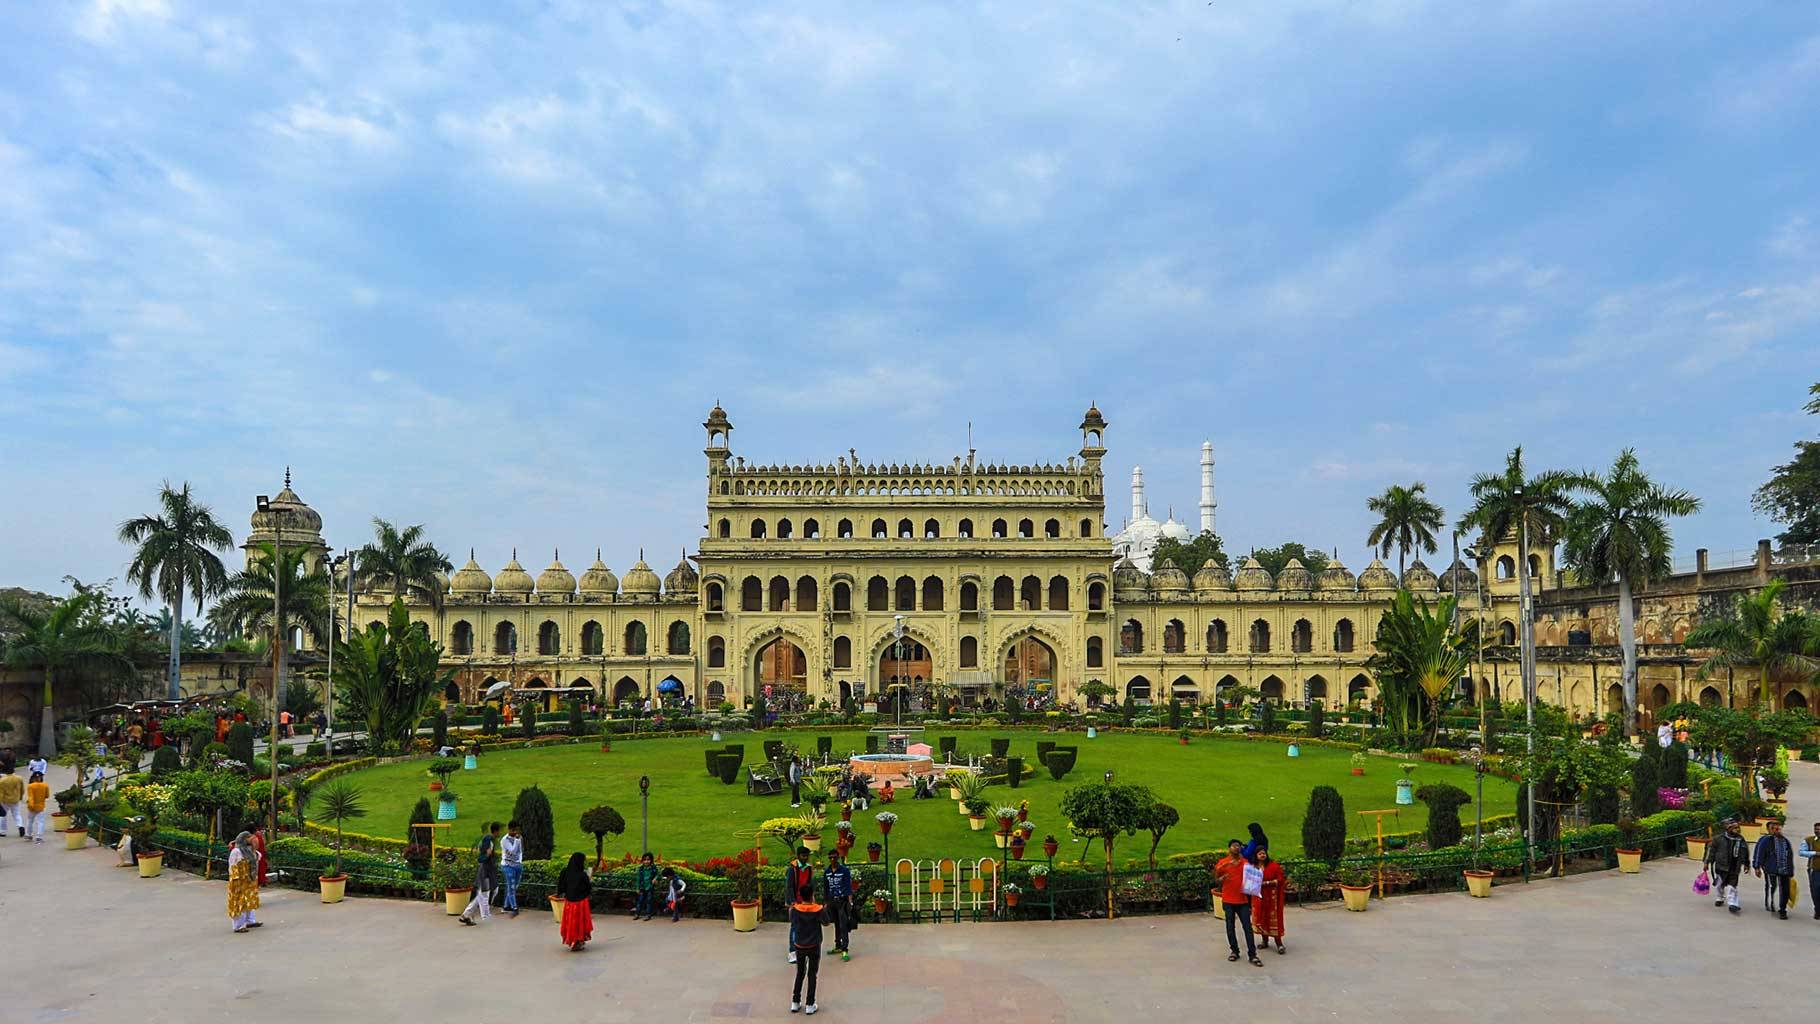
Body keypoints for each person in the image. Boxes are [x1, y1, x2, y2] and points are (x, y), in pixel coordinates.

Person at [1214, 838, 1261, 965]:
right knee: (1230, 927)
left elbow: (1253, 880)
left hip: (1243, 901)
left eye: (1238, 846)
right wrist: (1221, 879)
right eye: (1234, 845)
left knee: (1248, 928)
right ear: (1229, 848)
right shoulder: (1223, 863)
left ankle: (1252, 954)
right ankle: (1234, 951)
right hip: (1228, 900)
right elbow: (1216, 879)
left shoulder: (1246, 863)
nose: (1236, 847)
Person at [789, 884, 824, 1015]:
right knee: (812, 974)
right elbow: (826, 922)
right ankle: (810, 1004)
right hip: (814, 945)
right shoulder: (818, 909)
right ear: (812, 895)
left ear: (801, 896)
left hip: (799, 945)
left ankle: (795, 1002)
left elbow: (792, 921)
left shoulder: (795, 909)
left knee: (800, 973)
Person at [459, 822, 503, 925]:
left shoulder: (491, 840)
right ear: (496, 831)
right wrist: (487, 855)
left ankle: (467, 915)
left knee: (484, 894)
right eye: (500, 830)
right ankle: (469, 915)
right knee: (485, 894)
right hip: (485, 871)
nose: (501, 833)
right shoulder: (488, 840)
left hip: (488, 871)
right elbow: (481, 858)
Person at [1754, 818, 1796, 919]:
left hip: (1784, 870)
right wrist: (1757, 867)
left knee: (1785, 890)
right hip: (1771, 869)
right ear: (1770, 830)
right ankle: (1771, 904)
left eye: (1778, 829)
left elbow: (1790, 856)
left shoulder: (1785, 841)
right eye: (1774, 829)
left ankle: (1782, 909)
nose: (1777, 831)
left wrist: (1791, 870)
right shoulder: (1766, 840)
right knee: (1772, 887)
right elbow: (1759, 853)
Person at [1705, 818, 1750, 914]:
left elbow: (1745, 852)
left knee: (1732, 886)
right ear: (1728, 828)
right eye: (1735, 828)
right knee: (1720, 883)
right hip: (1721, 866)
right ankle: (1720, 897)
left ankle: (1733, 904)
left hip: (1735, 866)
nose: (1737, 829)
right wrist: (1707, 862)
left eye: (1738, 827)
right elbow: (1711, 852)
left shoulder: (1740, 839)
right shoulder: (1718, 839)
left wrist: (1746, 864)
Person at [1252, 847, 1287, 954]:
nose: (1262, 855)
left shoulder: (1274, 866)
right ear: (1256, 856)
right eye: (1260, 854)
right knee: (1261, 918)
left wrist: (1267, 883)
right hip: (1259, 898)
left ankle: (1279, 944)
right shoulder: (1253, 867)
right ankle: (1265, 941)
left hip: (1272, 898)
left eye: (1264, 853)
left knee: (1274, 919)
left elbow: (1280, 879)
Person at [557, 852, 594, 951]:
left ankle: (573, 939)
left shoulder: (565, 872)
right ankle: (579, 940)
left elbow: (561, 886)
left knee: (571, 922)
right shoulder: (582, 874)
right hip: (581, 903)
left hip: (569, 902)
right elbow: (588, 887)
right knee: (580, 923)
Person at [226, 831, 262, 933]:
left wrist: (254, 847)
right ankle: (238, 926)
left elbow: (258, 857)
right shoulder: (236, 851)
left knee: (249, 900)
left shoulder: (250, 851)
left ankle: (250, 921)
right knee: (239, 902)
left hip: (249, 881)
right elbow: (232, 866)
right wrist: (237, 879)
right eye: (249, 838)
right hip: (239, 881)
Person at [823, 850, 855, 961]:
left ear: (838, 858)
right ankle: (838, 945)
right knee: (836, 923)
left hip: (842, 901)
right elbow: (826, 888)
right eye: (830, 858)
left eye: (835, 857)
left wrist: (850, 901)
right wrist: (826, 902)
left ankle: (845, 949)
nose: (832, 860)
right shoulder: (827, 872)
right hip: (832, 901)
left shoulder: (844, 871)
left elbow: (848, 886)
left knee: (843, 924)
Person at [784, 847, 815, 962]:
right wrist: (792, 902)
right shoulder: (792, 869)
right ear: (798, 856)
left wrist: (811, 900)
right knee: (794, 927)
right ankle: (792, 951)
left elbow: (810, 885)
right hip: (795, 902)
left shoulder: (809, 868)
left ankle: (803, 949)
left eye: (807, 856)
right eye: (803, 856)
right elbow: (789, 887)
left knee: (806, 926)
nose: (805, 858)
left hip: (806, 901)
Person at [501, 820, 524, 917]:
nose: (516, 832)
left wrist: (520, 861)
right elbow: (513, 850)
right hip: (508, 865)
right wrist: (517, 840)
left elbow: (520, 851)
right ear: (509, 830)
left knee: (515, 886)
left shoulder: (519, 838)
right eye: (514, 830)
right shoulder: (505, 840)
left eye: (517, 830)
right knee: (511, 886)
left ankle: (506, 906)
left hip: (517, 865)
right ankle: (514, 907)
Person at [1797, 822, 1820, 921]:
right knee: (1815, 891)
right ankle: (1817, 909)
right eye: (1816, 829)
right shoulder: (1809, 840)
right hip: (1814, 870)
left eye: (1819, 829)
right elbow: (1801, 852)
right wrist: (1815, 853)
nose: (1817, 831)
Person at [24, 771, 50, 843]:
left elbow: (31, 797)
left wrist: (31, 805)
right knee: (40, 822)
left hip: (31, 807)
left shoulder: (30, 786)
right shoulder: (45, 785)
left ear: (33, 778)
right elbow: (47, 796)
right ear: (41, 777)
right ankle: (39, 837)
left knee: (30, 821)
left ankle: (29, 835)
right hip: (40, 806)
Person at [634, 851, 659, 920]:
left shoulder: (653, 868)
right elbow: (638, 879)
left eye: (648, 860)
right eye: (645, 860)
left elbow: (658, 874)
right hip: (642, 887)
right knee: (640, 901)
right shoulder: (641, 869)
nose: (646, 861)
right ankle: (637, 914)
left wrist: (655, 878)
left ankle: (648, 915)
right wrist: (637, 888)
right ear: (642, 860)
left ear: (651, 860)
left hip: (650, 887)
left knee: (649, 901)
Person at [0, 764, 23, 839]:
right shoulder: (19, 778)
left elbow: (1, 793)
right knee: (17, 814)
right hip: (15, 799)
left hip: (5, 800)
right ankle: (20, 826)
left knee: (3, 815)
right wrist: (20, 797)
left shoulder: (2, 780)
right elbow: (22, 789)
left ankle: (3, 831)